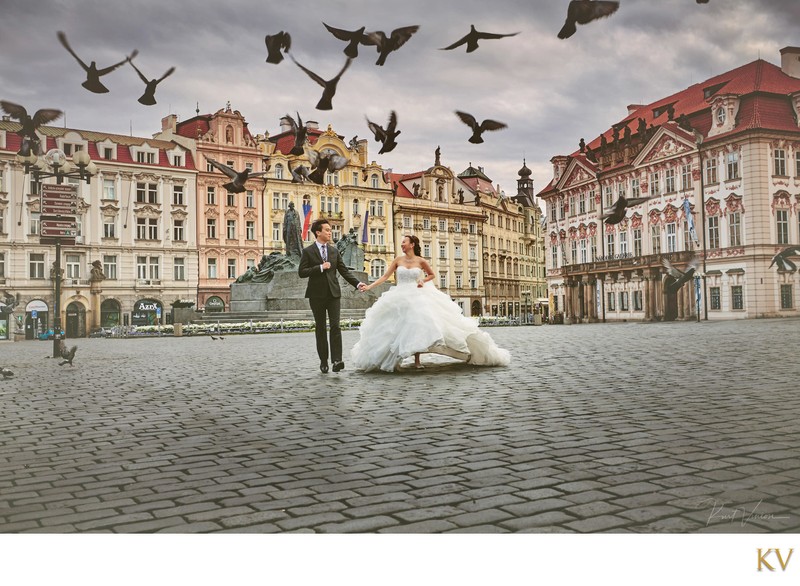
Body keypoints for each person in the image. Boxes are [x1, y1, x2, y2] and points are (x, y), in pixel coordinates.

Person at [351, 234, 511, 372]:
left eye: (404, 242)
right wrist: (369, 286)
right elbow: (385, 277)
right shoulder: (397, 260)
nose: (402, 244)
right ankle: (390, 359)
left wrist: (422, 280)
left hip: (416, 295)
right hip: (399, 296)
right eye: (402, 242)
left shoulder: (420, 260)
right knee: (394, 328)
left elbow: (432, 275)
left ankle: (417, 360)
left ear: (412, 244)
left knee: (418, 325)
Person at [298, 218, 366, 374]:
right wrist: (320, 267)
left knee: (335, 326)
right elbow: (302, 272)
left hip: (334, 294)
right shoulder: (308, 251)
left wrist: (357, 284)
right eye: (327, 230)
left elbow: (343, 270)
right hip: (316, 295)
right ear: (318, 232)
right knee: (321, 328)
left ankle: (337, 360)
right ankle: (323, 361)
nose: (330, 232)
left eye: (330, 230)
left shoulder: (334, 251)